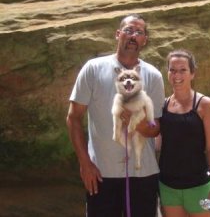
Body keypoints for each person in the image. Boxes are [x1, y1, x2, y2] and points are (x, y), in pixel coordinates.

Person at [66, 13, 165, 217]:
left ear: (144, 40)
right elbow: (73, 118)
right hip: (101, 172)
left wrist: (136, 122)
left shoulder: (153, 76)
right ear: (118, 34)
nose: (133, 36)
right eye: (129, 30)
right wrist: (85, 163)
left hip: (142, 173)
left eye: (139, 32)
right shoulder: (93, 69)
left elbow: (156, 129)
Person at [157, 49, 210, 217]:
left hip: (199, 186)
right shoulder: (162, 106)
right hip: (168, 186)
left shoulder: (205, 105)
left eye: (182, 70)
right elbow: (157, 144)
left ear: (192, 74)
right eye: (172, 70)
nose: (176, 75)